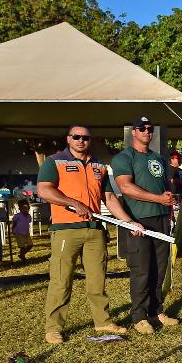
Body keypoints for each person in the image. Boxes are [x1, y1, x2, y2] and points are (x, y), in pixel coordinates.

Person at [38, 125, 144, 343]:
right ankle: (53, 328)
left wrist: (129, 222)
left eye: (85, 137)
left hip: (95, 230)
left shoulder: (99, 166)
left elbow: (110, 198)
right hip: (66, 229)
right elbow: (44, 190)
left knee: (97, 280)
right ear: (68, 139)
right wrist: (73, 203)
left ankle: (102, 321)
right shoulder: (54, 161)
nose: (81, 140)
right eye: (76, 137)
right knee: (61, 280)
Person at [111, 116, 179, 335]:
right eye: (142, 128)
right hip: (139, 220)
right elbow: (126, 187)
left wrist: (168, 202)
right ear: (134, 132)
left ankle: (156, 310)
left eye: (150, 128)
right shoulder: (124, 157)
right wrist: (158, 199)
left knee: (160, 269)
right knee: (142, 269)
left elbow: (164, 187)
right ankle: (139, 316)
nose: (147, 132)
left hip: (161, 218)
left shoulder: (159, 158)